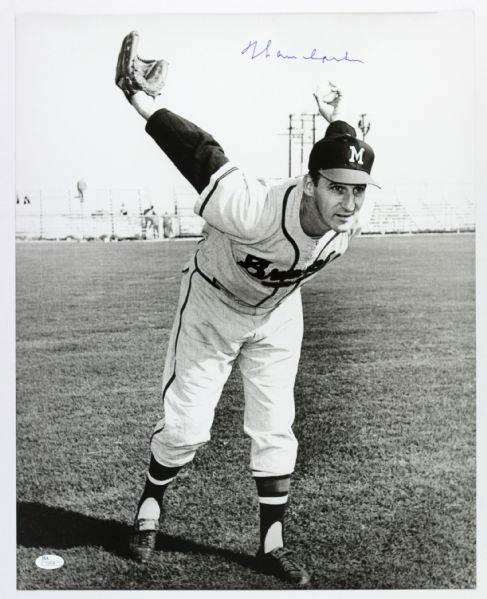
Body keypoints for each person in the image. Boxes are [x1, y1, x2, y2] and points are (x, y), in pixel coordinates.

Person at [119, 80, 378, 585]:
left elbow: (347, 161)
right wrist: (139, 99)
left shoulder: (353, 218)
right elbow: (198, 151)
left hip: (278, 313)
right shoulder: (252, 206)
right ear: (309, 184)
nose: (348, 202)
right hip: (213, 304)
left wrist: (334, 122)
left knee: (276, 426)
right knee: (185, 429)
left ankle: (271, 542)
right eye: (336, 188)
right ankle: (151, 503)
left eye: (357, 189)